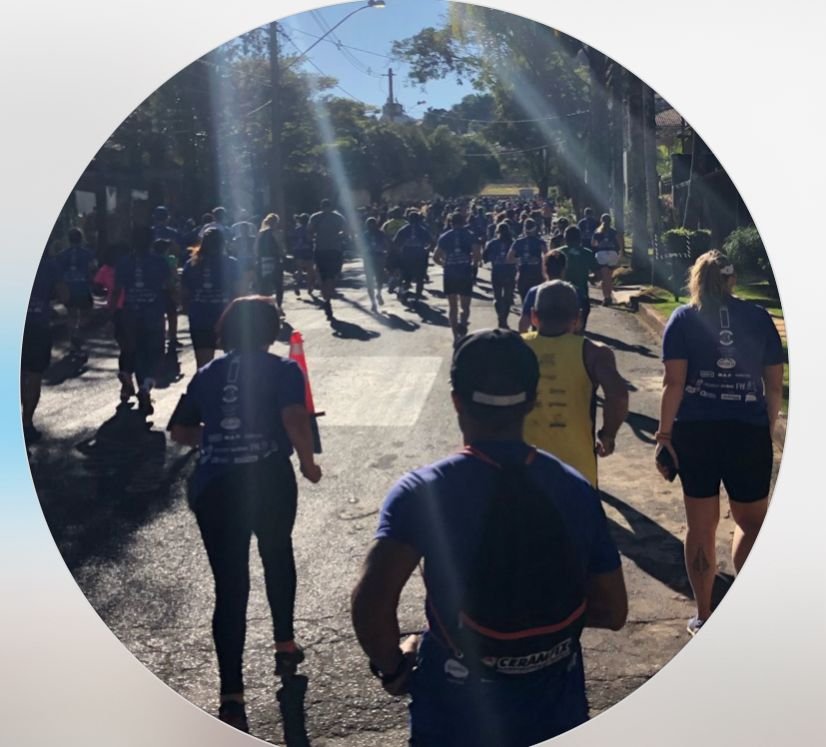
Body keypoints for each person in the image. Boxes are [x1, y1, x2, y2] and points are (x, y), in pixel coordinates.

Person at [351, 328, 627, 747]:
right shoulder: (573, 487)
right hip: (556, 713)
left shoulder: (423, 491)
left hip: (452, 717)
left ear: (456, 401)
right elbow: (613, 610)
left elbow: (371, 602)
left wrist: (394, 667)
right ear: (532, 401)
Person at [169, 296, 322, 733]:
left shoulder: (207, 373)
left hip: (216, 485)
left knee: (230, 587)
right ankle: (284, 644)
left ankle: (232, 696)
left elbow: (180, 430)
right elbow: (294, 417)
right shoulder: (283, 369)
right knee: (277, 554)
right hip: (268, 476)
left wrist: (219, 437)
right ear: (271, 330)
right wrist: (308, 463)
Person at [655, 250, 784, 637]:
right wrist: (765, 425)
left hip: (696, 433)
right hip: (747, 431)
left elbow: (673, 383)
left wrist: (664, 436)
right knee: (752, 522)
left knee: (701, 526)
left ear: (695, 279)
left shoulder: (683, 319)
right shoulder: (759, 317)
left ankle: (704, 615)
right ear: (733, 280)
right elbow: (774, 384)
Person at [523, 281, 629, 487]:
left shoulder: (515, 347)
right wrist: (608, 434)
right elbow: (618, 395)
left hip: (524, 466)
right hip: (576, 469)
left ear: (534, 316)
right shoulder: (593, 353)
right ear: (578, 318)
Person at [111, 225, 173, 415]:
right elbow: (168, 286)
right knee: (155, 354)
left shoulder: (123, 263)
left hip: (130, 313)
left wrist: (111, 313)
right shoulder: (160, 262)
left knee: (130, 349)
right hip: (153, 314)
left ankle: (126, 374)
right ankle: (145, 387)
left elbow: (117, 290)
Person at [22, 249, 67, 444]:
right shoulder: (50, 266)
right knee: (34, 376)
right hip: (38, 326)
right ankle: (26, 423)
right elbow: (65, 295)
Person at [181, 227, 242, 369]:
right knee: (232, 360)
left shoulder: (192, 264)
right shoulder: (232, 264)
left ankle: (206, 383)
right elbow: (239, 292)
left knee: (203, 365)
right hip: (227, 317)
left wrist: (188, 309)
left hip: (200, 318)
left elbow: (184, 293)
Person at [433, 212, 482, 340]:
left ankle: (455, 336)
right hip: (465, 271)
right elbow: (477, 255)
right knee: (465, 306)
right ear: (464, 222)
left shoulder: (444, 236)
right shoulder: (470, 235)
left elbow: (435, 257)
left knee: (452, 306)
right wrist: (473, 264)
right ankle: (463, 324)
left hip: (450, 273)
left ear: (451, 222)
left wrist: (445, 264)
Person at [54, 227, 96, 358]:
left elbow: (58, 272)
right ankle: (78, 334)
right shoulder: (88, 254)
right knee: (86, 314)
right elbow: (93, 269)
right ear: (81, 239)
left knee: (71, 315)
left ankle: (73, 339)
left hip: (68, 289)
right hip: (83, 288)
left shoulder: (62, 255)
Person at [308, 199, 348, 320]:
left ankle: (326, 299)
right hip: (334, 250)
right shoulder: (338, 217)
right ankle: (328, 295)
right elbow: (346, 232)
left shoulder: (315, 217)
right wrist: (337, 237)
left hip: (320, 249)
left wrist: (317, 238)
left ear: (321, 206)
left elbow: (309, 233)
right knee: (332, 275)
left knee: (322, 275)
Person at [559, 225, 599, 333]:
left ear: (565, 238)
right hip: (581, 293)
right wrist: (590, 278)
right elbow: (598, 274)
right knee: (580, 323)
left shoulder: (558, 253)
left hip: (561, 294)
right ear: (580, 238)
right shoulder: (587, 253)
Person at [518, 250, 567, 334]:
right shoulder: (573, 292)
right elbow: (578, 325)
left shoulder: (535, 292)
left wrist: (530, 339)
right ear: (564, 269)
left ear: (545, 268)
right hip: (566, 340)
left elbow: (523, 325)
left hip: (540, 339)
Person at [482, 221, 516, 328]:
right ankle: (504, 319)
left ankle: (500, 317)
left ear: (497, 232)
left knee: (497, 297)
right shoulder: (513, 243)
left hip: (497, 272)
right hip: (510, 272)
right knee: (507, 297)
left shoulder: (492, 243)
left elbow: (485, 258)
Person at [393, 211, 433, 301]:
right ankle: (417, 296)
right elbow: (432, 242)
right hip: (419, 254)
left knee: (406, 276)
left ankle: (404, 292)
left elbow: (395, 243)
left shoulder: (404, 229)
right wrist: (426, 250)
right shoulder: (422, 230)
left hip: (407, 253)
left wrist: (399, 252)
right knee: (420, 277)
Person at [507, 218, 546, 303]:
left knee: (525, 301)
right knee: (536, 301)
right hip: (537, 274)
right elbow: (547, 257)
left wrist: (521, 260)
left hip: (523, 274)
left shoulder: (518, 242)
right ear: (535, 228)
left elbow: (509, 259)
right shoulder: (540, 242)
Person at [254, 214, 286, 312]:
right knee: (278, 285)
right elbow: (281, 247)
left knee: (264, 284)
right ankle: (279, 306)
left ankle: (263, 306)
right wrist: (283, 255)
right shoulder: (277, 233)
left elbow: (255, 249)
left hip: (263, 261)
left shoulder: (261, 233)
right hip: (275, 260)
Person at [591, 213, 622, 306]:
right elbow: (619, 242)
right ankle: (609, 296)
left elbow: (593, 243)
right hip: (612, 254)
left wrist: (599, 244)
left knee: (605, 278)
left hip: (602, 254)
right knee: (609, 276)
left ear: (601, 220)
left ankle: (606, 297)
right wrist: (620, 252)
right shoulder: (614, 231)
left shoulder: (597, 231)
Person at [362, 216, 388, 312]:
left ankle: (378, 294)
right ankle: (373, 301)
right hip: (372, 257)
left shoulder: (380, 234)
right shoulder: (366, 235)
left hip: (376, 257)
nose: (372, 226)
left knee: (377, 278)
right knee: (373, 279)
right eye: (370, 224)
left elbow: (386, 244)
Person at [289, 213, 315, 296]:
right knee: (309, 269)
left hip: (298, 251)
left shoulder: (296, 229)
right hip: (307, 250)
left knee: (299, 269)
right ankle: (309, 287)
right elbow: (309, 239)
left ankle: (297, 284)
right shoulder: (309, 230)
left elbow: (292, 240)